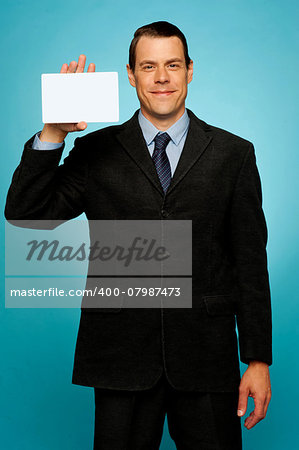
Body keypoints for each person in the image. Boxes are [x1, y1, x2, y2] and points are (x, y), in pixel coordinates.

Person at [5, 21, 272, 450]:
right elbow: (26, 214)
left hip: (206, 357)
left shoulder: (233, 154)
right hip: (119, 356)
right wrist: (54, 133)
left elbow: (250, 264)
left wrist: (257, 359)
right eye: (148, 66)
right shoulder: (94, 151)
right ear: (131, 75)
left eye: (172, 65)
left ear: (189, 70)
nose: (161, 78)